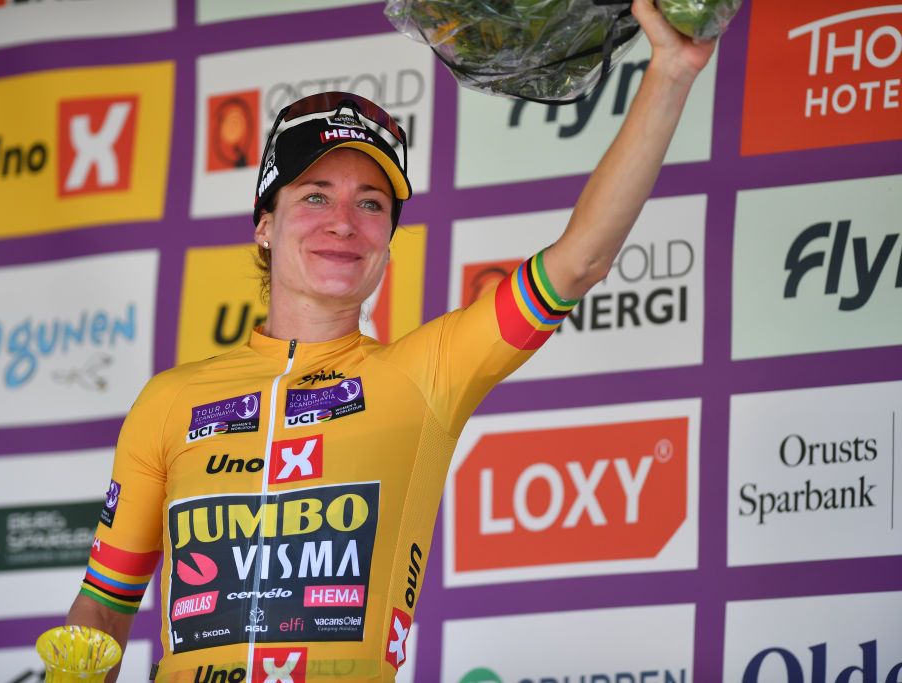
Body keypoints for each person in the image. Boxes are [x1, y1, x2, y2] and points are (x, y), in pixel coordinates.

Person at [64, 1, 716, 680]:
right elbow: (104, 611)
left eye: (371, 204)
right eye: (315, 195)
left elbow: (578, 262)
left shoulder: (423, 374)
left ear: (387, 240)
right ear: (265, 223)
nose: (343, 223)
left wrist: (670, 70)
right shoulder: (168, 402)